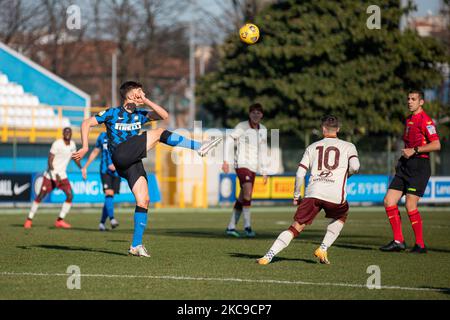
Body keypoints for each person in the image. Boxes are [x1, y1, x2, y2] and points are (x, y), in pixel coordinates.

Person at [72, 81, 221, 257]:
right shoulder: (113, 112)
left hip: (131, 162)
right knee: (158, 133)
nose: (142, 94)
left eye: (143, 92)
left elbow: (164, 115)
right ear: (129, 93)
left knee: (144, 200)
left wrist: (147, 101)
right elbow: (86, 123)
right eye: (139, 91)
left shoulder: (140, 115)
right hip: (120, 154)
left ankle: (136, 245)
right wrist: (84, 147)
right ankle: (199, 147)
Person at [257, 115, 360, 265]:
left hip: (313, 192)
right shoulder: (349, 146)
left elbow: (300, 173)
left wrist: (297, 194)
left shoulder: (312, 147)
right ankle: (323, 248)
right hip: (335, 195)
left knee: (296, 227)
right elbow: (356, 166)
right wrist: (347, 174)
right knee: (341, 216)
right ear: (338, 129)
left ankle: (268, 256)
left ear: (323, 129)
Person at [380, 90, 440, 254]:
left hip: (419, 166)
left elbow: (436, 145)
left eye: (413, 99)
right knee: (388, 201)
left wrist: (414, 150)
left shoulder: (426, 121)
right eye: (408, 99)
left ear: (421, 102)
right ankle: (398, 241)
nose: (409, 102)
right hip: (405, 165)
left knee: (410, 204)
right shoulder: (408, 120)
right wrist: (401, 162)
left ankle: (420, 244)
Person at [222, 103, 269, 238]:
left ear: (262, 115)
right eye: (253, 112)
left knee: (243, 196)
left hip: (253, 167)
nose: (256, 115)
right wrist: (226, 160)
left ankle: (231, 227)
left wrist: (264, 170)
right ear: (249, 114)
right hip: (241, 164)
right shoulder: (242, 126)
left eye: (258, 113)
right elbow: (229, 140)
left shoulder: (263, 129)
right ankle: (247, 227)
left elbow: (263, 151)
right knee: (248, 192)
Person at [24, 127, 81, 229]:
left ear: (71, 134)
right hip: (50, 175)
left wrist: (82, 168)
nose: (67, 133)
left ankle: (60, 220)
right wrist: (55, 174)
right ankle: (29, 219)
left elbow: (75, 157)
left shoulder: (72, 145)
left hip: (62, 175)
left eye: (69, 132)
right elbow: (49, 161)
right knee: (41, 196)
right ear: (63, 133)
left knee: (70, 195)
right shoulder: (57, 144)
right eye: (66, 132)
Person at [81, 132, 120, 231]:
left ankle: (102, 223)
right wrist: (85, 167)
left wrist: (117, 164)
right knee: (109, 193)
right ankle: (112, 219)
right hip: (104, 170)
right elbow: (95, 152)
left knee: (109, 198)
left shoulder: (120, 133)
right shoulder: (102, 136)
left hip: (117, 171)